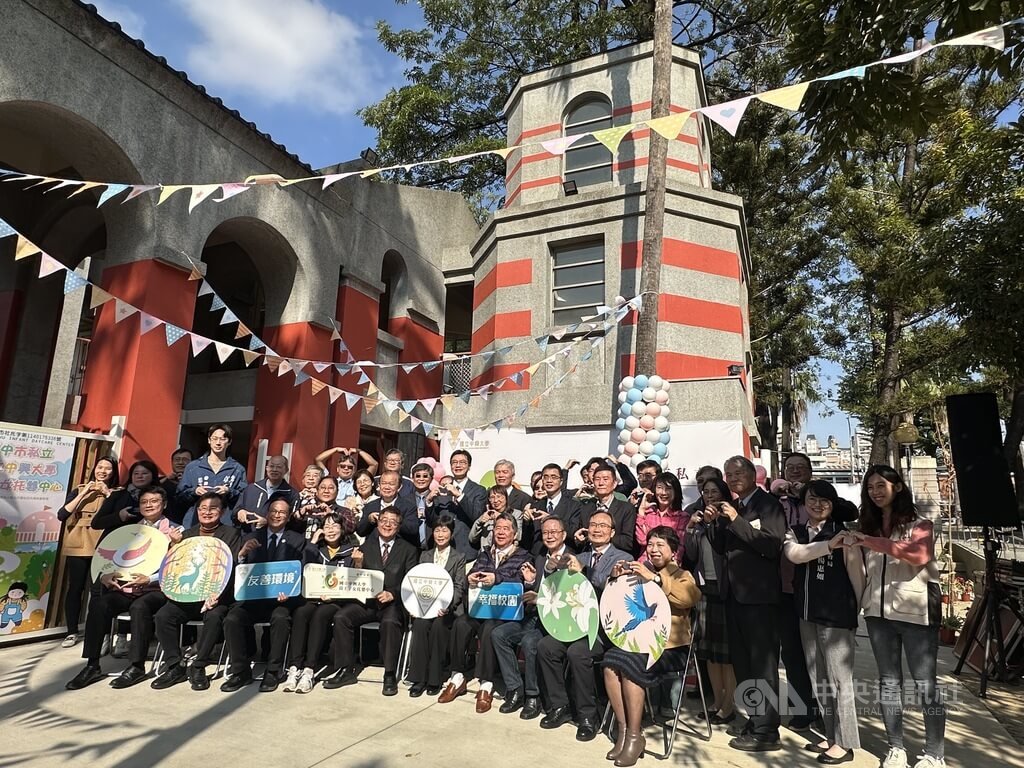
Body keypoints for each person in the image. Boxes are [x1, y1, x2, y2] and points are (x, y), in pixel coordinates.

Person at [845, 465, 945, 768]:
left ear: (898, 487)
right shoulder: (868, 526)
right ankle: (896, 748)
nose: (875, 492)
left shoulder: (920, 523)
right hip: (877, 614)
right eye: (870, 487)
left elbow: (918, 555)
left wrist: (868, 541)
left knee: (925, 684)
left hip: (917, 613)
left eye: (881, 485)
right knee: (888, 682)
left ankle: (934, 754)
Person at [704, 455, 786, 752]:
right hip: (734, 597)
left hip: (759, 598)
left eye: (739, 473)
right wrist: (713, 524)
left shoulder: (768, 505)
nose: (733, 478)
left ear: (752, 475)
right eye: (729, 474)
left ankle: (767, 731)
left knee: (762, 665)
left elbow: (770, 545)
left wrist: (736, 521)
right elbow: (722, 547)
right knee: (744, 665)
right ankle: (755, 719)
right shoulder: (734, 506)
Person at [65, 486, 182, 690]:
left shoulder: (177, 531)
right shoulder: (129, 530)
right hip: (127, 588)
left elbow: (179, 565)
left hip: (156, 590)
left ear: (164, 504)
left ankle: (136, 666)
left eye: (154, 501)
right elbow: (112, 559)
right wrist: (106, 574)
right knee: (99, 604)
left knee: (140, 607)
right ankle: (92, 665)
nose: (148, 505)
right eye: (144, 502)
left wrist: (150, 578)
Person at [604, 526, 702, 766]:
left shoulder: (682, 574)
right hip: (639, 642)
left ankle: (635, 735)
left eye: (660, 545)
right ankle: (625, 730)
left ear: (673, 551)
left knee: (631, 666)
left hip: (671, 648)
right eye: (650, 544)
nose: (654, 549)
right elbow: (617, 601)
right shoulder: (639, 570)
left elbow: (690, 597)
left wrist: (657, 579)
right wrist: (615, 578)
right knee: (610, 662)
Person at [783, 480, 862, 765]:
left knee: (840, 681)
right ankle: (831, 736)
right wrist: (828, 545)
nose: (817, 505)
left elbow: (857, 576)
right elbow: (795, 555)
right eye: (811, 500)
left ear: (833, 503)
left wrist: (854, 612)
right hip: (806, 614)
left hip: (837, 618)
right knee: (819, 679)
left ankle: (845, 742)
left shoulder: (845, 534)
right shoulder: (796, 532)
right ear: (803, 503)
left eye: (824, 500)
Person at [537, 511, 631, 741]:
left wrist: (585, 571)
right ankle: (560, 705)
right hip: (573, 625)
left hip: (602, 630)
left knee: (578, 652)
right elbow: (560, 590)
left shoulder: (623, 558)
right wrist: (551, 569)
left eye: (602, 525)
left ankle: (588, 715)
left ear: (612, 532)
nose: (597, 529)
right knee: (545, 646)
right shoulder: (579, 555)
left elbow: (616, 593)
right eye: (593, 524)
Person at [437, 513, 530, 713]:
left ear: (514, 534)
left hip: (504, 613)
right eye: (498, 528)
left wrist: (495, 578)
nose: (501, 532)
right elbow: (474, 572)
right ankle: (457, 676)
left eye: (506, 528)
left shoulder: (523, 555)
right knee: (461, 623)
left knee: (489, 629)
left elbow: (518, 579)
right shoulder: (485, 553)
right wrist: (471, 577)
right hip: (482, 607)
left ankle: (486, 684)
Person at [150, 493, 242, 691]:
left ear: (222, 512)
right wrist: (174, 544)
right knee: (163, 616)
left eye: (213, 508)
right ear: (197, 511)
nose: (207, 512)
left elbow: (231, 567)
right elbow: (175, 566)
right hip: (187, 596)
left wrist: (216, 595)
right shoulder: (187, 535)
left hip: (216, 597)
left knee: (215, 617)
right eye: (203, 508)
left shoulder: (232, 534)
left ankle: (199, 665)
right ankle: (175, 665)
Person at [323, 508, 418, 695]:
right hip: (367, 602)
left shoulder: (409, 549)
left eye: (392, 522)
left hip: (392, 604)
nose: (387, 525)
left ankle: (389, 673)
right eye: (384, 520)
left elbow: (411, 580)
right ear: (377, 522)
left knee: (390, 622)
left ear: (399, 527)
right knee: (342, 617)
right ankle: (345, 669)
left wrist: (393, 593)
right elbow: (355, 580)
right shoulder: (365, 547)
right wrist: (358, 564)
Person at [220, 499, 309, 693]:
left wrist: (290, 591)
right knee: (232, 619)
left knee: (281, 618)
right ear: (267, 514)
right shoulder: (251, 537)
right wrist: (242, 554)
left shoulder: (297, 540)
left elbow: (300, 572)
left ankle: (273, 671)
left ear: (288, 517)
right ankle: (240, 671)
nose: (277, 515)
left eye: (282, 512)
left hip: (280, 600)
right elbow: (237, 572)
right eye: (274, 511)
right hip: (253, 599)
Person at [492, 515, 570, 720]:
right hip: (533, 615)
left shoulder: (571, 559)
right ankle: (515, 688)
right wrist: (530, 582)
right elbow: (535, 588)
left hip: (555, 620)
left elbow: (569, 598)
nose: (549, 536)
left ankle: (533, 695)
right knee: (499, 634)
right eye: (545, 532)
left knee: (530, 641)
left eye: (554, 532)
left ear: (563, 535)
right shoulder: (540, 556)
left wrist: (540, 599)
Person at [282, 514, 358, 694]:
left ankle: (309, 669)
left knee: (320, 615)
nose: (331, 530)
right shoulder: (316, 549)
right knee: (300, 613)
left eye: (335, 526)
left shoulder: (351, 552)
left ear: (342, 529)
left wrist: (334, 597)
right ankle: (294, 667)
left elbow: (354, 582)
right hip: (313, 598)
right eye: (327, 526)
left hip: (336, 601)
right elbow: (302, 568)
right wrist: (313, 541)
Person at [683, 476, 736, 726]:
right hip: (704, 589)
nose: (710, 495)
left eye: (715, 491)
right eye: (706, 492)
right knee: (710, 652)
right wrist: (691, 528)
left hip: (725, 589)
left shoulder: (729, 518)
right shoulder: (700, 520)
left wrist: (716, 521)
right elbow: (692, 554)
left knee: (727, 653)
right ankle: (716, 701)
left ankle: (729, 705)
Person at [776, 451, 819, 731]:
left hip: (816, 588)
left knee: (818, 654)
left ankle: (824, 710)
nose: (794, 471)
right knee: (791, 653)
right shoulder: (776, 502)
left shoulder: (819, 500)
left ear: (810, 472)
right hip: (783, 586)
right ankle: (801, 709)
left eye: (800, 467)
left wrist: (807, 494)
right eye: (789, 467)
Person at [57, 456, 119, 647]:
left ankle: (98, 631)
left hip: (103, 542)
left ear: (113, 472)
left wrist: (107, 493)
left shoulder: (117, 492)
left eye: (108, 468)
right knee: (75, 588)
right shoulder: (80, 488)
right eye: (100, 467)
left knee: (99, 590)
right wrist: (84, 492)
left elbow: (118, 514)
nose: (102, 471)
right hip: (78, 539)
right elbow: (62, 514)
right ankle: (72, 631)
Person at [407, 514, 468, 697]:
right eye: (437, 530)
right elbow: (417, 583)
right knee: (419, 625)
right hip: (426, 607)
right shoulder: (425, 555)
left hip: (448, 610)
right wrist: (416, 606)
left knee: (438, 627)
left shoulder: (459, 557)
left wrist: (446, 606)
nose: (440, 534)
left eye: (444, 530)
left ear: (451, 533)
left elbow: (459, 586)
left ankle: (435, 678)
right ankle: (418, 678)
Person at [178, 424, 248, 527]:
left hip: (225, 524)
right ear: (209, 440)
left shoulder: (237, 469)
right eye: (214, 438)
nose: (218, 443)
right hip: (195, 523)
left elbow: (245, 497)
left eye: (222, 439)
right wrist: (194, 491)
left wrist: (229, 491)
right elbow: (179, 496)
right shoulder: (193, 467)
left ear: (229, 442)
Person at [575, 464, 637, 555]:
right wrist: (579, 540)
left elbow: (628, 542)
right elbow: (582, 538)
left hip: (615, 557)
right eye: (597, 479)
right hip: (589, 557)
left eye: (605, 479)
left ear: (614, 484)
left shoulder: (626, 509)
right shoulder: (586, 508)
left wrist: (600, 536)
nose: (601, 483)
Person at [520, 463, 581, 555]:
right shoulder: (535, 506)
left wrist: (550, 518)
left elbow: (574, 532)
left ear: (561, 481)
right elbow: (527, 540)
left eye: (553, 477)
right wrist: (526, 522)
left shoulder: (574, 505)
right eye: (546, 477)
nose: (549, 480)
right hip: (539, 556)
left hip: (563, 556)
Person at [232, 455, 298, 532]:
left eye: (279, 467)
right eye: (271, 466)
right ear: (266, 468)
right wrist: (239, 512)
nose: (274, 470)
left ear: (286, 470)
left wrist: (268, 523)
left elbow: (293, 524)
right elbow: (236, 510)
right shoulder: (252, 488)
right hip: (248, 534)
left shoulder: (291, 494)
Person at [91, 460, 159, 533]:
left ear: (153, 476)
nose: (139, 476)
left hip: (146, 537)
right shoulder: (117, 495)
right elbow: (96, 523)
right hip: (115, 538)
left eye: (144, 473)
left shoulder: (160, 497)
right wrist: (119, 516)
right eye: (136, 473)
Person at [635, 472, 689, 561]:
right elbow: (642, 540)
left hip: (669, 565)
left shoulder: (682, 517)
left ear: (676, 491)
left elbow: (679, 548)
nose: (663, 493)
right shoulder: (648, 513)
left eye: (668, 488)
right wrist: (641, 511)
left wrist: (670, 566)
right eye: (659, 488)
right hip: (645, 562)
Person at [356, 470, 419, 548]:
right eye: (383, 483)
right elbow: (360, 531)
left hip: (399, 549)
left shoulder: (408, 506)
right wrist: (369, 520)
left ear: (399, 487)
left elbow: (413, 530)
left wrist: (394, 521)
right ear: (379, 485)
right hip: (375, 550)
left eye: (391, 484)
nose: (386, 487)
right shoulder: (370, 506)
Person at [445, 449, 488, 559]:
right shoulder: (444, 489)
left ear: (469, 466)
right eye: (454, 462)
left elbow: (477, 516)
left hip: (467, 550)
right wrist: (429, 503)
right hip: (444, 549)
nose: (458, 465)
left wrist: (459, 496)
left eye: (462, 462)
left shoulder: (479, 490)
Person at [295, 475, 357, 541]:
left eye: (330, 488)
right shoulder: (307, 509)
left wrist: (332, 515)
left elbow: (351, 528)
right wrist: (300, 514)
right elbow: (290, 529)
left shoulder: (344, 511)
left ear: (337, 491)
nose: (326, 491)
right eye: (323, 487)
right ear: (317, 491)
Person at [469, 486, 523, 550]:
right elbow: (472, 539)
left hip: (507, 553)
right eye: (492, 497)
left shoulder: (516, 514)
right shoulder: (487, 514)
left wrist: (501, 517)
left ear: (506, 498)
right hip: (486, 553)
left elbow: (518, 536)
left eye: (499, 496)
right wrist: (479, 522)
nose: (495, 500)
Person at [161, 448, 193, 524]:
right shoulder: (163, 482)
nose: (180, 462)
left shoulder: (196, 481)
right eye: (177, 460)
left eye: (185, 460)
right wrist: (166, 479)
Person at [409, 462, 437, 548]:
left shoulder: (438, 499)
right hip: (411, 545)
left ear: (431, 479)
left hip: (432, 544)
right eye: (418, 476)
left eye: (425, 476)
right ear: (412, 478)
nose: (421, 479)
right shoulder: (405, 500)